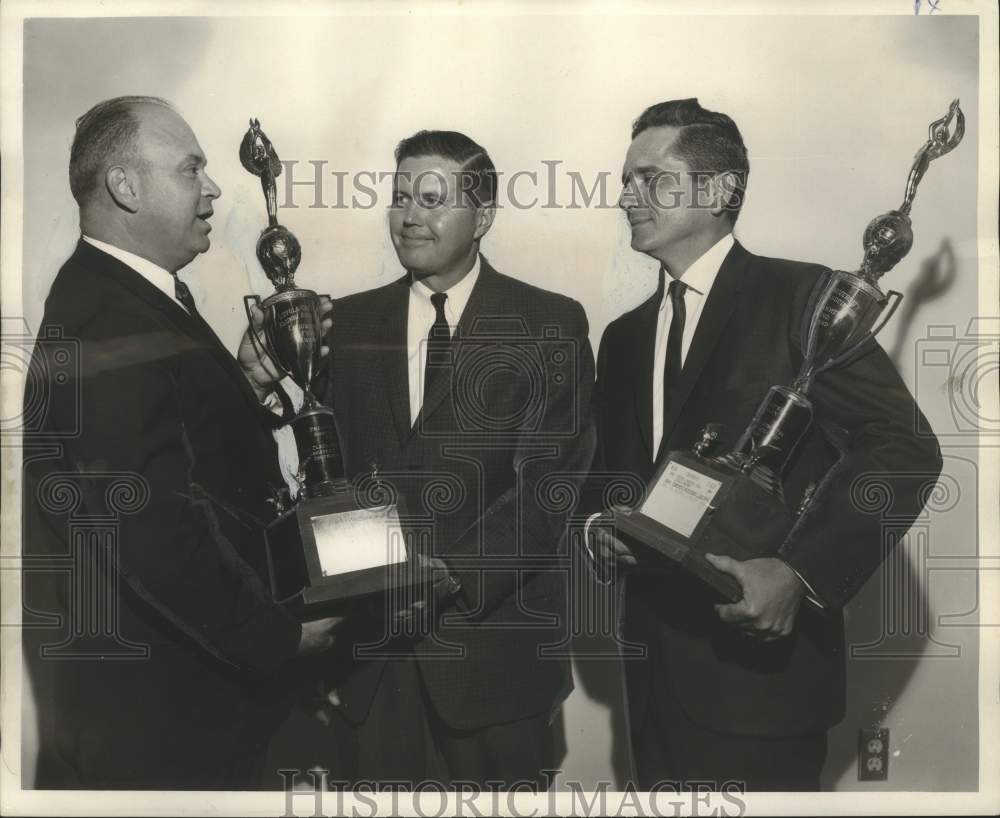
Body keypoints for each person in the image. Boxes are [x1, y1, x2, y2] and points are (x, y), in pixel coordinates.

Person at [584, 98, 943, 791]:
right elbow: (617, 475)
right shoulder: (623, 337)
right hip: (652, 679)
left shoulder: (802, 297)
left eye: (650, 178)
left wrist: (799, 575)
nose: (626, 196)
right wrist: (602, 523)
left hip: (760, 685)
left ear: (719, 190)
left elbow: (902, 450)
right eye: (626, 179)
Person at [242, 130, 595, 788]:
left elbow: (552, 489)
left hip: (496, 666)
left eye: (432, 199)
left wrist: (451, 574)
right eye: (399, 195)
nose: (409, 215)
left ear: (483, 216)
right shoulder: (337, 325)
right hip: (368, 669)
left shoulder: (549, 322)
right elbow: (318, 478)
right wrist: (255, 387)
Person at [22, 96, 342, 790]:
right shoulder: (106, 315)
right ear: (125, 187)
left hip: (177, 711)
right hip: (161, 732)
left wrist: (249, 388)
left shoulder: (130, 296)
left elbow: (188, 456)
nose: (216, 188)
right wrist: (280, 639)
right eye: (191, 168)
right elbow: (153, 527)